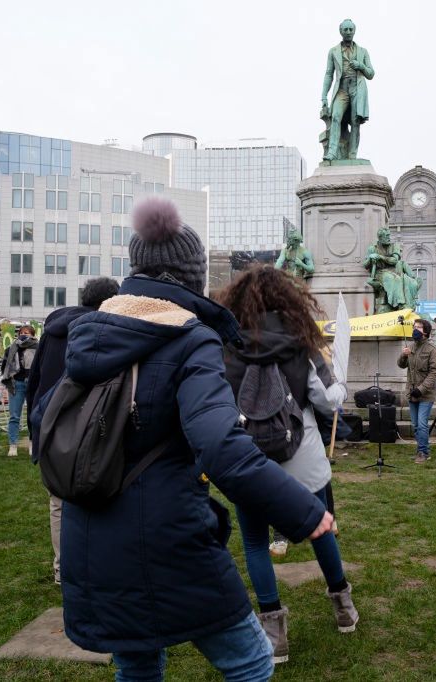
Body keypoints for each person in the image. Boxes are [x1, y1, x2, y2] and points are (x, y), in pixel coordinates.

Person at [56, 197, 333, 682]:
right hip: (166, 533)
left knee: (138, 662)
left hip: (91, 532)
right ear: (191, 277)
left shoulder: (90, 333)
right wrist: (304, 510)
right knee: (250, 661)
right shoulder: (190, 338)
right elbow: (221, 446)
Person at [219, 264, 357, 664]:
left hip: (248, 462)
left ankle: (274, 631)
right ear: (289, 299)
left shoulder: (228, 348)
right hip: (303, 458)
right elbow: (329, 401)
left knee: (255, 545)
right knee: (321, 531)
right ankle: (343, 607)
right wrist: (341, 384)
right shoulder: (301, 345)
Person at [25, 276, 119, 585]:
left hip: (49, 425)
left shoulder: (53, 329)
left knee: (59, 503)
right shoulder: (103, 329)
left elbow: (35, 379)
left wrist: (34, 431)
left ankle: (64, 570)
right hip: (90, 426)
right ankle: (97, 566)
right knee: (102, 497)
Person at [320, 19, 374, 162]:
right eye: (346, 30)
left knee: (355, 121)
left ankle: (352, 155)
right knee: (336, 116)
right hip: (342, 89)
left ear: (354, 31)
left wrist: (360, 65)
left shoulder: (363, 52)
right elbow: (329, 74)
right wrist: (324, 96)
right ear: (341, 31)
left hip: (357, 88)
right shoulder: (333, 51)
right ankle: (332, 152)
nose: (349, 32)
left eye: (351, 29)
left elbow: (371, 74)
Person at [397, 318, 436, 464]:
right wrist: (404, 355)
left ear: (426, 331)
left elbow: (434, 372)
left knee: (422, 424)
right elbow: (401, 365)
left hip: (425, 395)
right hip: (411, 393)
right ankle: (420, 450)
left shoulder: (432, 350)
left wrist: (421, 390)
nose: (415, 329)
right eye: (414, 327)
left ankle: (424, 452)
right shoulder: (410, 346)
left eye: (419, 327)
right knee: (416, 424)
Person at [0, 324, 38, 458]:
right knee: (14, 416)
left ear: (33, 334)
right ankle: (13, 445)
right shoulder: (12, 348)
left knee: (33, 415)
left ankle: (32, 444)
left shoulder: (38, 348)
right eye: (22, 332)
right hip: (16, 383)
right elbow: (4, 366)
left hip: (33, 384)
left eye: (27, 332)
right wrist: (9, 377)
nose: (24, 334)